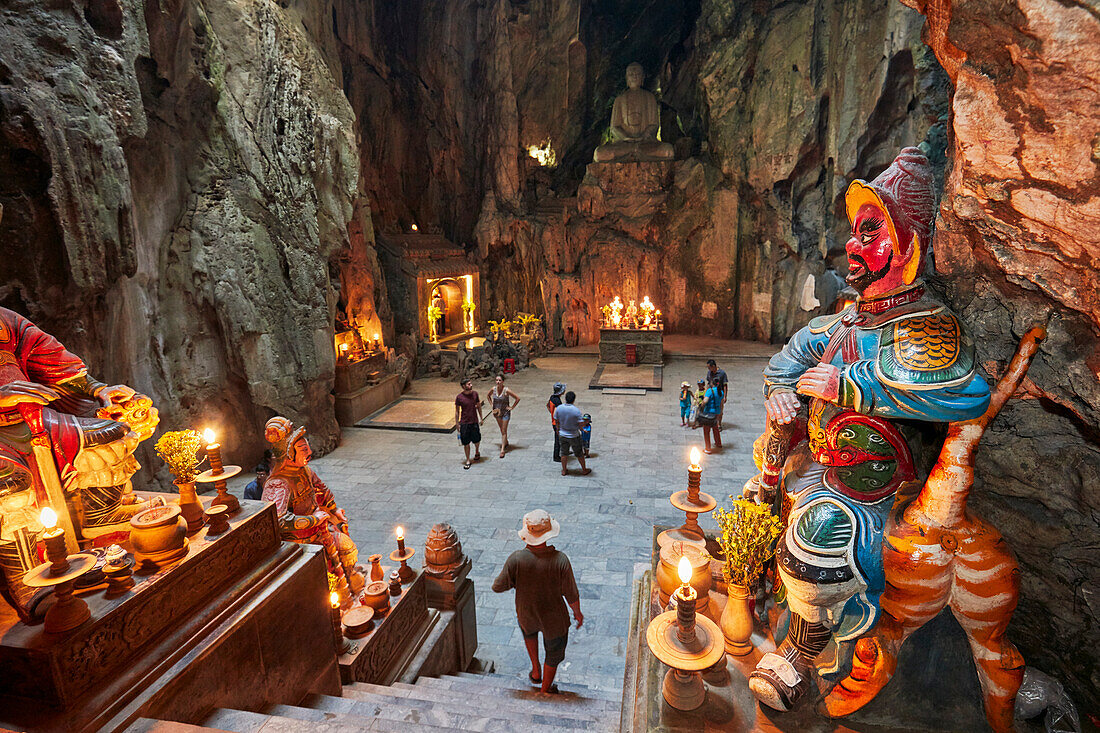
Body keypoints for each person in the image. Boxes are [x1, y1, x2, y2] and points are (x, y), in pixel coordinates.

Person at [492, 509, 583, 695]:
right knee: (554, 652)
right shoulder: (560, 560)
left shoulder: (516, 559)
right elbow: (571, 594)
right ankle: (545, 689)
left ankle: (535, 671)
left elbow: (497, 586)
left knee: (529, 634)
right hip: (554, 620)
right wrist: (577, 613)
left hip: (526, 613)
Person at [554, 391, 590, 476]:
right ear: (574, 400)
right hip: (574, 435)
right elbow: (580, 424)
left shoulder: (559, 408)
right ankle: (584, 470)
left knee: (563, 453)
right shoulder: (576, 411)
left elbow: (556, 420)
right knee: (579, 453)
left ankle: (564, 470)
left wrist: (558, 430)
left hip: (562, 434)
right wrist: (583, 427)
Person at [454, 378, 483, 469]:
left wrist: (481, 418)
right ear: (463, 386)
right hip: (464, 422)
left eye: (470, 383)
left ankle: (477, 451)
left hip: (474, 421)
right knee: (466, 442)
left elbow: (478, 406)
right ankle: (467, 459)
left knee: (476, 439)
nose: (471, 385)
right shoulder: (459, 397)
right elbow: (457, 411)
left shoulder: (475, 394)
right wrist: (457, 423)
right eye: (468, 384)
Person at [490, 374, 521, 458]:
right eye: (496, 380)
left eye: (500, 380)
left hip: (505, 413)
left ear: (503, 381)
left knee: (504, 430)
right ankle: (506, 442)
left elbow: (517, 398)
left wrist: (512, 407)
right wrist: (492, 404)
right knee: (501, 429)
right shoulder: (493, 389)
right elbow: (488, 396)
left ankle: (502, 449)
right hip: (497, 413)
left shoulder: (506, 390)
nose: (498, 382)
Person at [697, 378, 723, 453]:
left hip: (708, 414)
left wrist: (701, 407)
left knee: (706, 431)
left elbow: (705, 401)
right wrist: (720, 412)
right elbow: (721, 404)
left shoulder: (709, 391)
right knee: (715, 429)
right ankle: (718, 443)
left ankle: (708, 448)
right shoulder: (721, 392)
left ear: (712, 383)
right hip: (717, 412)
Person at [705, 359, 728, 429]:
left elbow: (725, 385)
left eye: (709, 367)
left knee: (720, 410)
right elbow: (708, 383)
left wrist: (725, 396)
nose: (709, 369)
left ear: (714, 366)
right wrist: (706, 393)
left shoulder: (722, 373)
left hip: (719, 394)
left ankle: (719, 424)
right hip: (711, 393)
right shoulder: (709, 373)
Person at [546, 382, 565, 462]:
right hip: (557, 424)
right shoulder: (557, 401)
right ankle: (556, 456)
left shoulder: (552, 397)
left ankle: (562, 451)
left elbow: (547, 405)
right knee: (558, 440)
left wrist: (551, 413)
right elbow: (558, 414)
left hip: (554, 422)